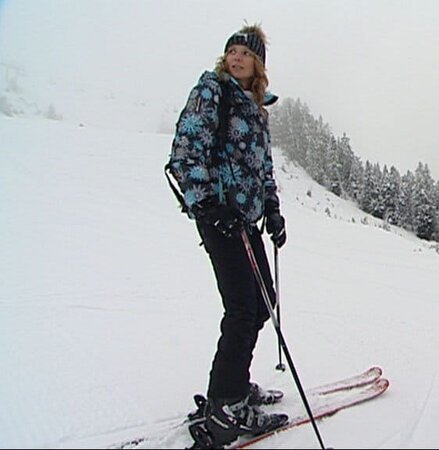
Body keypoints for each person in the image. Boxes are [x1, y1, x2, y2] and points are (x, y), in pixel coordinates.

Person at [166, 23, 289, 447]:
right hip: (220, 218)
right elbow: (185, 152)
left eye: (246, 53)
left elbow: (263, 169)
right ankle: (225, 404)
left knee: (262, 304)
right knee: (242, 309)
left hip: (245, 221)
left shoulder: (255, 108)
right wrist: (207, 205)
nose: (237, 58)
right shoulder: (211, 91)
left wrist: (272, 211)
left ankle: (235, 384)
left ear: (258, 65)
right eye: (232, 51)